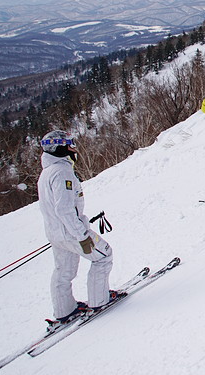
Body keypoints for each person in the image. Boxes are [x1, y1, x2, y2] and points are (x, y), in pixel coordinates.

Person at [37, 130, 117, 326]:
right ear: (60, 148)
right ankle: (99, 300)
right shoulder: (61, 172)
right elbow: (64, 209)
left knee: (64, 271)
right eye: (69, 145)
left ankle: (64, 310)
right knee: (103, 256)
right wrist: (82, 235)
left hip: (57, 234)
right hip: (72, 233)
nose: (74, 149)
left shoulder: (46, 173)